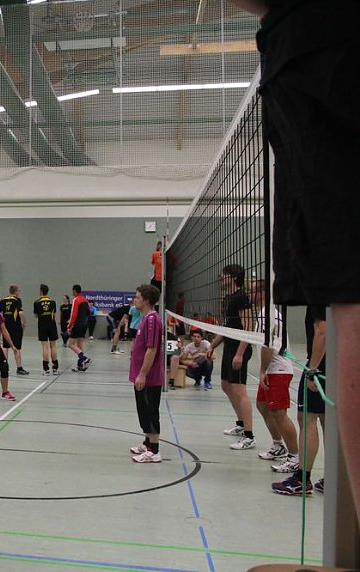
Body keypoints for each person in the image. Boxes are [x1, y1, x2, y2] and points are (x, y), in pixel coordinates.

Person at [231, 0, 360, 515]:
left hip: (308, 360)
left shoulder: (326, 39)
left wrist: (313, 366)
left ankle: (301, 469)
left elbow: (326, 322)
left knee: (299, 415)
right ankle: (298, 464)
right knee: (286, 411)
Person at [273, 305, 327, 496]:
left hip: (322, 365)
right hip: (339, 361)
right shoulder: (342, 288)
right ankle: (336, 477)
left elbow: (323, 331)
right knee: (327, 421)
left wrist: (313, 368)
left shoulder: (320, 292)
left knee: (307, 419)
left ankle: (302, 480)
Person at [248, 280, 299, 475]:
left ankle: (294, 457)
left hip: (278, 370)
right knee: (262, 405)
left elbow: (268, 345)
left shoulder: (269, 314)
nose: (249, 294)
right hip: (271, 370)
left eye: (252, 291)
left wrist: (262, 371)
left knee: (279, 412)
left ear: (261, 293)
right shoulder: (262, 313)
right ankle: (278, 445)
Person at [206, 264, 255, 450]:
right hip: (230, 346)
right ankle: (241, 424)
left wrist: (240, 353)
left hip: (239, 348)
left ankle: (249, 436)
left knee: (239, 389)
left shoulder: (242, 297)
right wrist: (211, 345)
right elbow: (226, 328)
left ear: (233, 277)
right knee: (226, 386)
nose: (221, 278)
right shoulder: (228, 298)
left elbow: (248, 328)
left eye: (224, 275)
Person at [128, 284, 165, 463]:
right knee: (143, 410)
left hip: (149, 377)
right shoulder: (145, 318)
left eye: (137, 297)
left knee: (150, 411)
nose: (135, 300)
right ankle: (147, 442)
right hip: (142, 375)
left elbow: (151, 349)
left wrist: (142, 374)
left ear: (147, 300)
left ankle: (154, 451)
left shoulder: (152, 319)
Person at [0, 285, 29, 376]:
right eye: (18, 291)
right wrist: (24, 322)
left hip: (5, 326)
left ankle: (3, 366)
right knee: (17, 347)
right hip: (15, 326)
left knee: (5, 346)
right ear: (15, 291)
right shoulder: (17, 300)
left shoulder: (3, 301)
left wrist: (0, 326)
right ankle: (19, 368)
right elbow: (20, 312)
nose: (19, 293)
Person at [33, 284, 59, 376]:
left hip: (42, 325)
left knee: (45, 347)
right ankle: (55, 368)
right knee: (53, 346)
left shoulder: (37, 302)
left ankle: (46, 369)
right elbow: (54, 313)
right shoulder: (53, 302)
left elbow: (36, 315)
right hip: (52, 324)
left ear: (40, 291)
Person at [66, 284, 92, 371]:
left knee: (70, 344)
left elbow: (73, 314)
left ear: (74, 291)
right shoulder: (85, 300)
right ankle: (81, 365)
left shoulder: (76, 300)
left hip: (77, 324)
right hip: (84, 324)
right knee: (79, 344)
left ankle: (84, 359)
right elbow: (89, 312)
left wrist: (69, 326)